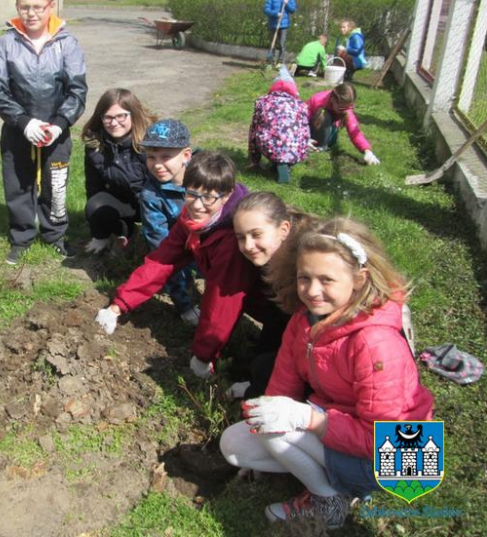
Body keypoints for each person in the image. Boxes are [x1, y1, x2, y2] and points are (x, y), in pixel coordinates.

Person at [220, 217, 433, 529]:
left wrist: (308, 420)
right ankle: (337, 485)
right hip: (343, 419)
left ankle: (329, 501)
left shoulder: (375, 343)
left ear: (359, 279)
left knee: (277, 424)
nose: (312, 291)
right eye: (304, 278)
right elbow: (281, 388)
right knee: (236, 446)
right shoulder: (305, 321)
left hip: (403, 457)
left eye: (327, 280)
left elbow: (381, 438)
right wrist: (274, 418)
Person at [95, 150, 254, 377]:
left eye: (208, 198)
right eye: (191, 194)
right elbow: (161, 262)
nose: (197, 206)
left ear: (227, 196)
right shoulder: (192, 221)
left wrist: (203, 355)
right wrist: (117, 306)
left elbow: (221, 303)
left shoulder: (233, 238)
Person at [0, 0, 88, 265]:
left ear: (50, 7)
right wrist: (24, 122)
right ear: (17, 7)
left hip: (57, 131)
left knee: (56, 185)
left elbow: (77, 90)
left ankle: (55, 234)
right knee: (18, 185)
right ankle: (22, 236)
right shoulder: (5, 44)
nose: (31, 14)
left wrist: (58, 123)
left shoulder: (67, 43)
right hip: (18, 130)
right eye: (24, 7)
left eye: (37, 7)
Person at [230, 192, 318, 400]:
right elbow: (276, 320)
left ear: (284, 229)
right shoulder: (277, 260)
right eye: (241, 237)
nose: (248, 245)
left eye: (256, 234)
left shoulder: (306, 273)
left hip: (384, 423)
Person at [138, 119, 200, 325]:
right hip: (179, 247)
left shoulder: (206, 177)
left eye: (166, 156)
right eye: (151, 157)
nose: (157, 165)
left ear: (186, 155)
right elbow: (163, 250)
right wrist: (185, 306)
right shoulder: (151, 195)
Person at [82, 88, 156, 254]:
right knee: (95, 205)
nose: (114, 123)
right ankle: (126, 233)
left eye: (120, 116)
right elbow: (93, 188)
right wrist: (98, 233)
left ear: (133, 114)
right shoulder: (95, 146)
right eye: (107, 117)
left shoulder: (150, 142)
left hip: (151, 201)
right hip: (122, 201)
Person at [248, 66, 311, 184]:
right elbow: (305, 129)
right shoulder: (300, 104)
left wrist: (254, 160)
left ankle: (277, 162)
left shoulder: (262, 101)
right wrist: (303, 149)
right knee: (291, 137)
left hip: (268, 145)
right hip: (294, 146)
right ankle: (284, 163)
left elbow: (254, 129)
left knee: (263, 130)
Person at [307, 83, 381, 165]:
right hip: (310, 131)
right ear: (333, 100)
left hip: (329, 134)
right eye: (341, 108)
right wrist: (304, 139)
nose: (346, 110)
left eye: (350, 107)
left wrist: (367, 151)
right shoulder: (317, 100)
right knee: (325, 116)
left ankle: (322, 147)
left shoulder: (346, 110)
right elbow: (301, 121)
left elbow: (354, 131)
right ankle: (316, 147)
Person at [264, 0, 297, 66]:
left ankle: (280, 61)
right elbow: (266, 9)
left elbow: (293, 10)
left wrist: (287, 4)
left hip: (284, 24)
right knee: (273, 43)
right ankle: (270, 61)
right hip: (273, 24)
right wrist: (276, 14)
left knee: (282, 44)